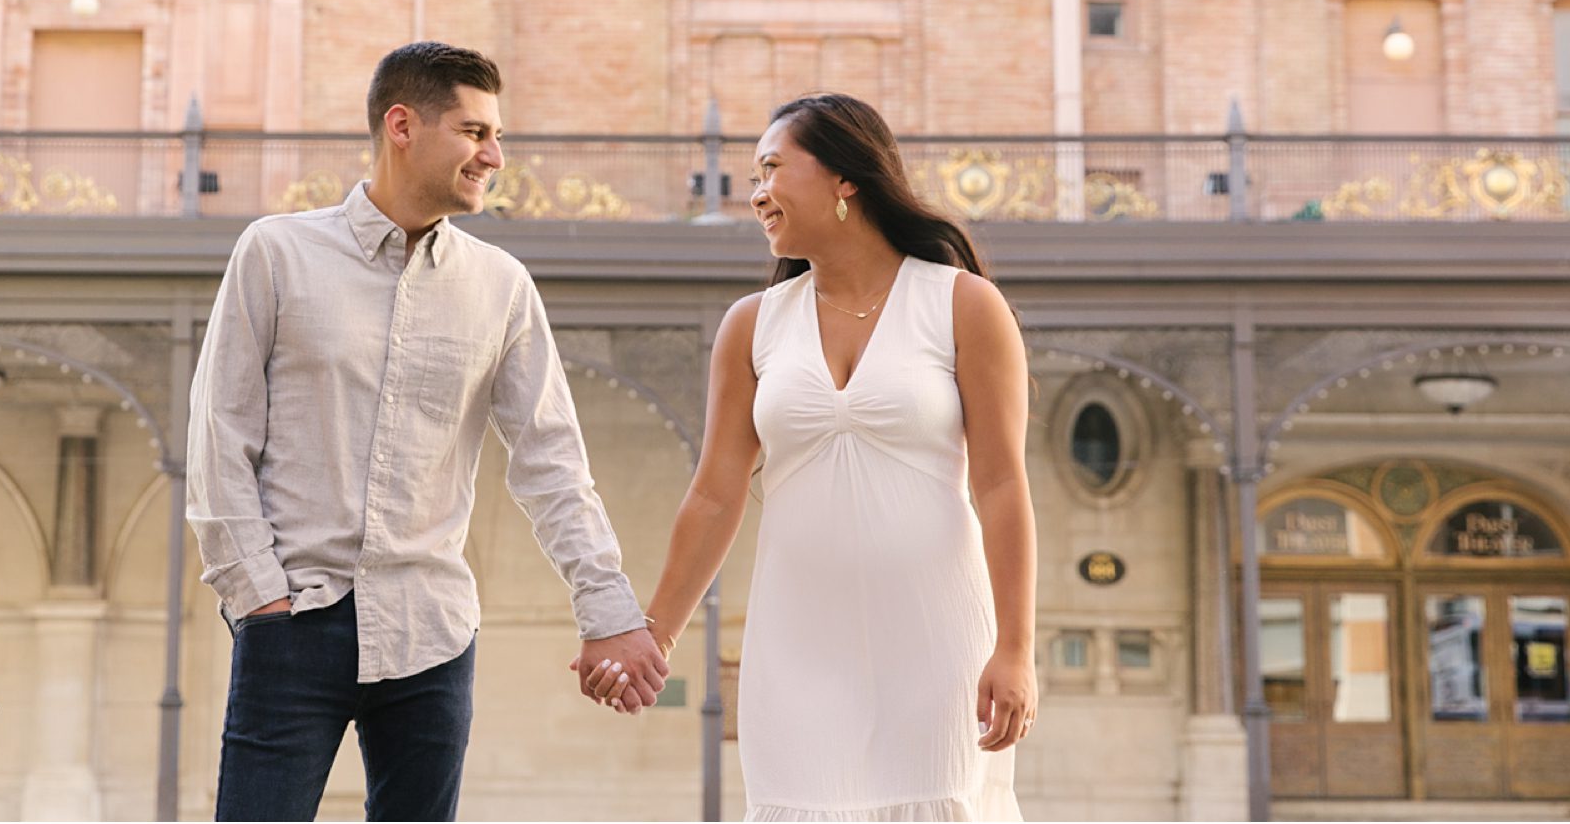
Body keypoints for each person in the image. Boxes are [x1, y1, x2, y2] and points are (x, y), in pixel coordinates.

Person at [185, 41, 668, 823]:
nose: (495, 156)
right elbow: (220, 435)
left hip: (432, 633)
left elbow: (551, 462)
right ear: (402, 125)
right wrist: (259, 597)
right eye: (475, 132)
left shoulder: (501, 286)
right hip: (294, 618)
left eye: (497, 135)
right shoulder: (275, 253)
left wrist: (608, 610)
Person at [604, 92, 1038, 821]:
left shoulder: (963, 304)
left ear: (845, 177)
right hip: (796, 647)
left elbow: (1001, 486)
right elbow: (714, 494)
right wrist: (657, 634)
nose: (757, 193)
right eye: (754, 177)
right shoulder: (752, 326)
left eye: (772, 169)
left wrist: (1016, 648)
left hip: (937, 644)